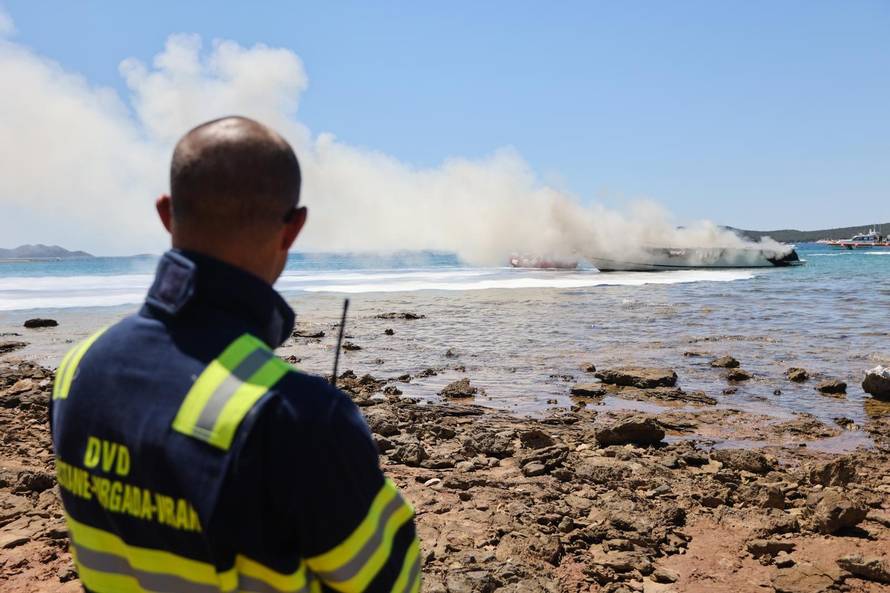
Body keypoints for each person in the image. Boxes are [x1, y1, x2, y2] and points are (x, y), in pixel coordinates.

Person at [50, 116, 421, 593]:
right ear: (294, 229)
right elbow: (392, 583)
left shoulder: (75, 370)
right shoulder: (299, 419)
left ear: (166, 214)